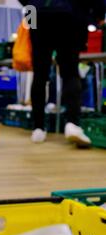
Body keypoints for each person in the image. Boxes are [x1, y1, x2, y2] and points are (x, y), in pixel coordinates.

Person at [19, 0, 105, 146]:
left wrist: (31, 16)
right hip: (71, 15)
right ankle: (72, 124)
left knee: (39, 74)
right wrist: (99, 15)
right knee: (70, 72)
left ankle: (38, 128)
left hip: (38, 15)